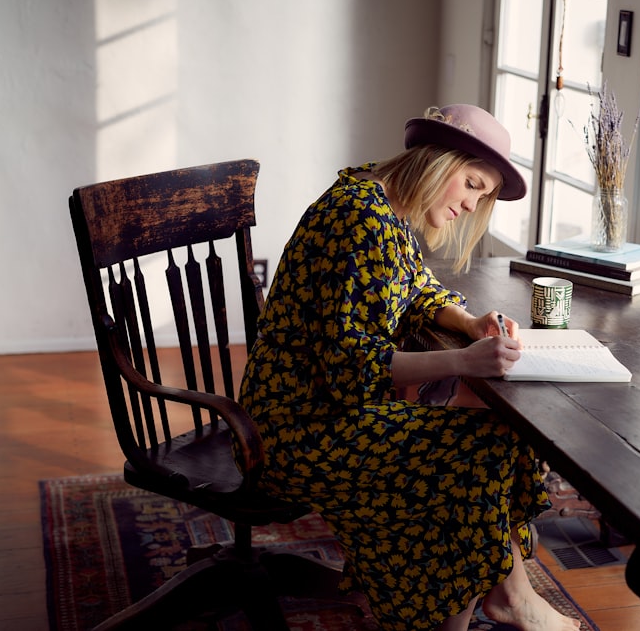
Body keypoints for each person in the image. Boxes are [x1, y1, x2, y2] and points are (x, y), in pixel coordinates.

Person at [237, 104, 581, 631]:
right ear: (437, 161)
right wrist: (463, 359)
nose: (471, 204)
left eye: (482, 195)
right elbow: (351, 371)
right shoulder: (361, 219)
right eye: (471, 184)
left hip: (320, 409)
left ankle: (508, 597)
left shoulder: (378, 198)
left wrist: (468, 321)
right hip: (296, 427)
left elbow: (414, 284)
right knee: (477, 451)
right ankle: (486, 607)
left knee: (493, 438)